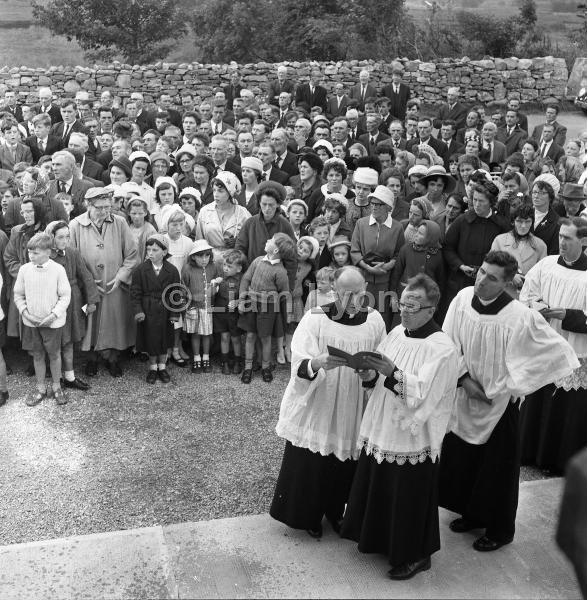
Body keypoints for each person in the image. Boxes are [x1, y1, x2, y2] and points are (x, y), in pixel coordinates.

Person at [439, 251, 578, 552]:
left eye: (491, 277)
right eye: (481, 272)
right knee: (464, 459)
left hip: (500, 403)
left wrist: (513, 386)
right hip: (466, 394)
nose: (481, 281)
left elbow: (557, 352)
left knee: (497, 468)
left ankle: (500, 530)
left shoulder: (520, 316)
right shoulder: (462, 299)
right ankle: (471, 513)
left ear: (505, 283)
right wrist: (463, 379)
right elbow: (447, 341)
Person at [341, 274, 458, 579]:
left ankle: (416, 554)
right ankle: (381, 541)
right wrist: (367, 374)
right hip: (382, 427)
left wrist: (392, 372)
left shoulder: (442, 348)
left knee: (407, 495)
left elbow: (424, 396)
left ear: (431, 310)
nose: (403, 310)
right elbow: (378, 381)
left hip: (412, 437)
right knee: (383, 484)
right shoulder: (395, 333)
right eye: (402, 303)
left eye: (412, 306)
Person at [270, 266, 386, 538]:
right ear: (334, 290)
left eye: (358, 293)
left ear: (366, 288)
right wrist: (317, 362)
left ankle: (337, 513)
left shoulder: (374, 320)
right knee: (313, 462)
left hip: (353, 400)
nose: (352, 300)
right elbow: (299, 360)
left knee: (344, 462)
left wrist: (370, 372)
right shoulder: (316, 319)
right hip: (321, 399)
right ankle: (309, 516)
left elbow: (382, 357)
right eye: (345, 293)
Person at [519, 217, 587, 473]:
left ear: (584, 241)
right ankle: (528, 452)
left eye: (567, 239)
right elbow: (528, 293)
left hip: (574, 349)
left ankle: (555, 461)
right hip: (545, 345)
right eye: (560, 236)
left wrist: (567, 315)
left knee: (564, 409)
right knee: (537, 400)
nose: (561, 242)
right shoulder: (546, 265)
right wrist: (539, 308)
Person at [69, 187, 138, 378]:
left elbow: (132, 254)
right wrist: (88, 282)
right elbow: (72, 258)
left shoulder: (120, 222)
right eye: (99, 207)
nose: (104, 211)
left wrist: (122, 275)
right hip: (88, 286)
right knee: (90, 320)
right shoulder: (75, 225)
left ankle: (113, 358)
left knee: (114, 320)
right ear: (88, 205)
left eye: (108, 207)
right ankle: (92, 358)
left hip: (115, 284)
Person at [13, 232, 71, 406]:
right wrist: (25, 313)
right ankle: (40, 388)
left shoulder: (58, 270)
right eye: (30, 252)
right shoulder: (24, 270)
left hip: (53, 323)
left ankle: (56, 386)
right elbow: (18, 294)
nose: (31, 256)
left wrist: (53, 315)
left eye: (36, 253)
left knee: (54, 354)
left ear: (48, 252)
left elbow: (65, 296)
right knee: (37, 355)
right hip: (32, 322)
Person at [45, 220, 99, 392]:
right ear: (50, 237)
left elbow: (86, 276)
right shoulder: (44, 255)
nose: (65, 241)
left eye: (67, 236)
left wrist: (91, 300)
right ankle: (56, 378)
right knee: (54, 341)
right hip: (52, 300)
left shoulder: (73, 253)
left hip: (72, 300)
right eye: (60, 237)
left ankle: (69, 377)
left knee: (68, 341)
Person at [238, 233, 296, 384]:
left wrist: (285, 313)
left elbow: (284, 294)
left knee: (265, 338)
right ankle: (248, 367)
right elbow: (246, 279)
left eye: (271, 240)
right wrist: (241, 300)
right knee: (250, 336)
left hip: (268, 308)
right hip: (251, 303)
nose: (267, 240)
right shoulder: (257, 261)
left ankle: (265, 366)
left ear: (276, 250)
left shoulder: (280, 272)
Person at [443, 179, 509, 306]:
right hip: (460, 281)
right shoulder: (462, 221)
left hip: (488, 283)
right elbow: (447, 247)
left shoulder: (501, 225)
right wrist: (460, 265)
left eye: (481, 201)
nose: (476, 204)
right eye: (474, 200)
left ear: (491, 202)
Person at [351, 185, 404, 330]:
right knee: (361, 319)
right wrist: (368, 267)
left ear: (388, 207)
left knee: (380, 321)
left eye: (378, 204)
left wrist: (388, 266)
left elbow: (399, 254)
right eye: (372, 203)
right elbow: (354, 251)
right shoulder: (361, 224)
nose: (373, 207)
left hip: (385, 283)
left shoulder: (397, 227)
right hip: (363, 281)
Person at [131, 234, 181, 384]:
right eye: (148, 249)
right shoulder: (140, 270)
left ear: (164, 252)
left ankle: (162, 366)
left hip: (165, 310)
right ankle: (153, 368)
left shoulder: (172, 270)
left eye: (155, 250)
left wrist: (174, 313)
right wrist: (138, 310)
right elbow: (135, 293)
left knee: (164, 338)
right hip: (148, 309)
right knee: (151, 339)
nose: (150, 253)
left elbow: (176, 294)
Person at [182, 239, 223, 374]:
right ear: (193, 256)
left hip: (208, 307)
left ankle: (206, 357)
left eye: (207, 255)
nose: (204, 259)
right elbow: (183, 288)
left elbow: (218, 282)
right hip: (193, 307)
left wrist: (216, 284)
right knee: (195, 334)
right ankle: (196, 358)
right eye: (200, 256)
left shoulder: (213, 267)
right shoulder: (188, 269)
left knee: (206, 334)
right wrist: (187, 305)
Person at [490, 203, 547, 298]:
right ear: (513, 222)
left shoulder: (540, 245)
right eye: (519, 221)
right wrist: (510, 276)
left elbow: (543, 276)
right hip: (501, 294)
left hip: (527, 297)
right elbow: (490, 267)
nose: (523, 226)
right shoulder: (499, 240)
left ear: (532, 222)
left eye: (527, 221)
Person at [195, 171, 251, 260]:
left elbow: (251, 241)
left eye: (220, 191)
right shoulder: (205, 211)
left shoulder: (243, 214)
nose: (216, 194)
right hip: (210, 261)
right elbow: (199, 241)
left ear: (230, 192)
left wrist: (238, 242)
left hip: (233, 263)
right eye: (214, 190)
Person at [390, 219, 445, 304]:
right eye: (417, 231)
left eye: (420, 234)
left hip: (425, 299)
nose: (416, 235)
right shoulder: (406, 249)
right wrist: (393, 296)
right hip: (405, 295)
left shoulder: (437, 255)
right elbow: (396, 274)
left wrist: (435, 302)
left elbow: (440, 280)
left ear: (430, 238)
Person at [284, 236, 318, 363]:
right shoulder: (288, 261)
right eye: (300, 247)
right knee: (282, 323)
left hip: (296, 297)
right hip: (283, 296)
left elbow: (310, 279)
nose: (301, 251)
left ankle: (289, 349)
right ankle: (281, 349)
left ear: (310, 254)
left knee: (292, 324)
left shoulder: (308, 267)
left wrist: (308, 282)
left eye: (306, 251)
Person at [214, 249, 247, 375]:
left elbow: (247, 295)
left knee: (236, 338)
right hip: (221, 311)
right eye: (224, 265)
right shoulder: (220, 277)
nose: (225, 268)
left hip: (234, 314)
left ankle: (238, 361)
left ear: (238, 269)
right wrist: (214, 285)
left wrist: (238, 301)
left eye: (229, 266)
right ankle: (225, 362)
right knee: (224, 336)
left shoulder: (242, 279)